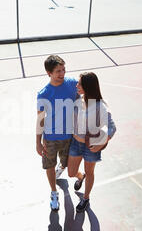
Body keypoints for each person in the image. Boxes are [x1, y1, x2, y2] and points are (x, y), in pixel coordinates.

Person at [67, 72, 116, 213]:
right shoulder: (77, 100)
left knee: (90, 171)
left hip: (91, 146)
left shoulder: (100, 106)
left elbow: (112, 128)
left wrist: (100, 144)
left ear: (88, 87)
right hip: (76, 143)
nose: (77, 85)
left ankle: (86, 198)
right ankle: (80, 177)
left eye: (80, 84)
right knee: (71, 173)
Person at [36, 55, 78, 210]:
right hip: (51, 138)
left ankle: (61, 168)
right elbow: (40, 119)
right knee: (49, 166)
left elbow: (84, 95)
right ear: (49, 73)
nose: (62, 73)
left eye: (64, 70)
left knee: (66, 163)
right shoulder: (44, 93)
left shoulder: (73, 84)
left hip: (69, 135)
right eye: (58, 71)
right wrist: (38, 142)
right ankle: (54, 192)